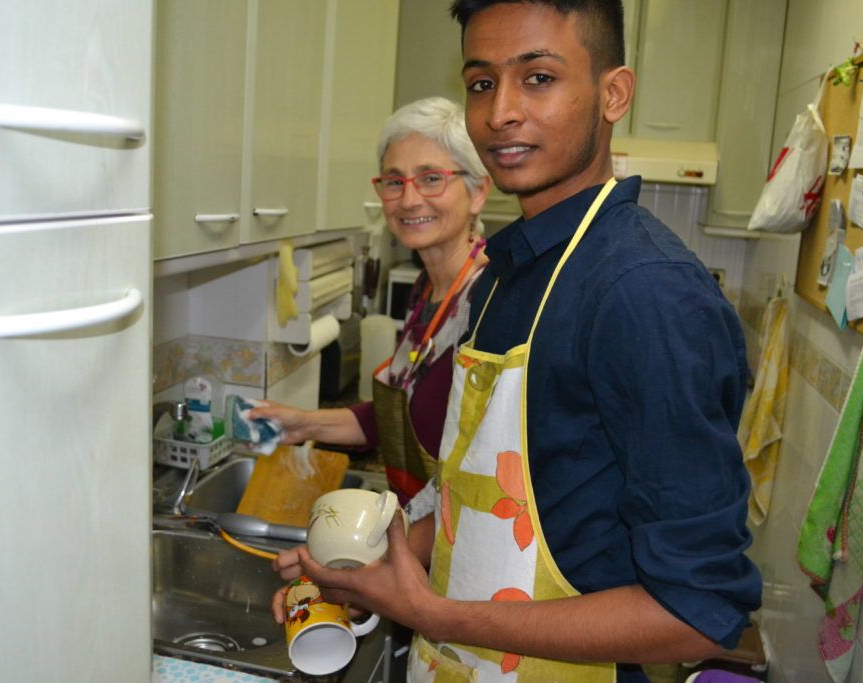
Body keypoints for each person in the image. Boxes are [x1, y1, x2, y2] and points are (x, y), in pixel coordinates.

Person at [271, 2, 762, 681]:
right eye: (481, 83)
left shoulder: (645, 293)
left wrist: (435, 613)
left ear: (613, 93)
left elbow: (697, 607)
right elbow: (476, 501)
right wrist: (370, 562)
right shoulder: (515, 270)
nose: (500, 112)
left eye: (537, 78)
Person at [251, 97, 492, 504]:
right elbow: (394, 417)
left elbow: (487, 471)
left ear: (478, 191)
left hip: (453, 541)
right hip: (414, 523)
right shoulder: (426, 288)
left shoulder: (490, 299)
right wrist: (303, 424)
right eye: (394, 181)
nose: (409, 199)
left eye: (431, 178)